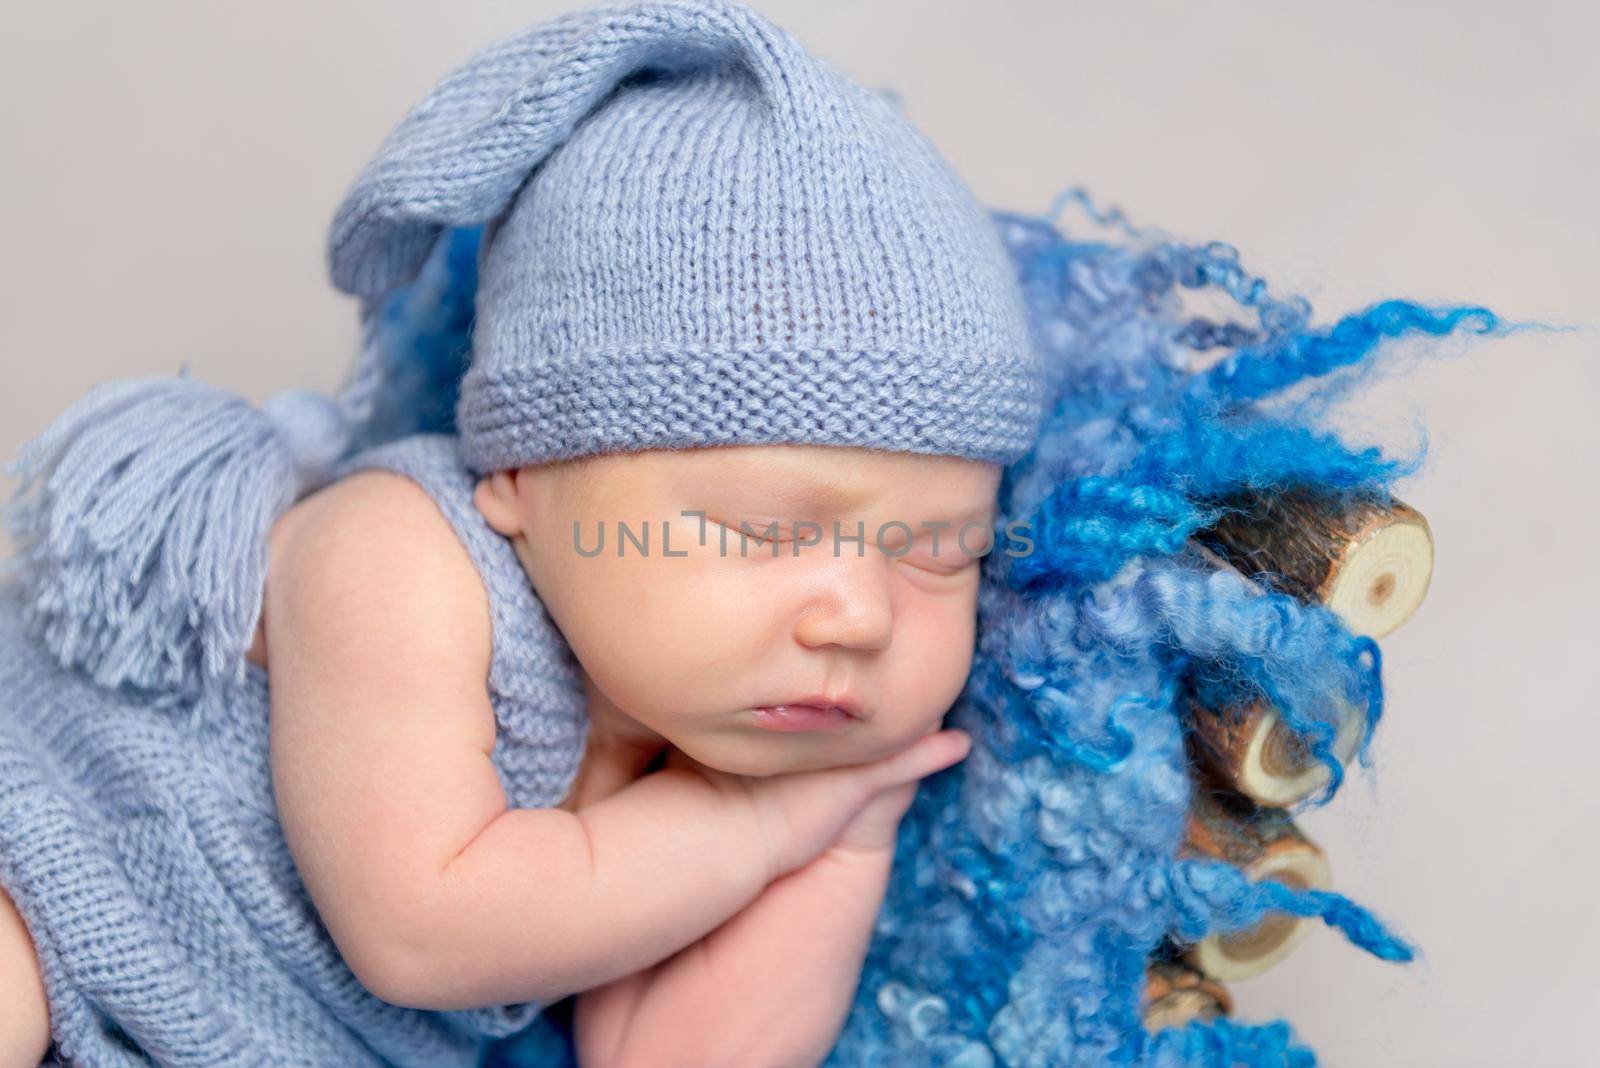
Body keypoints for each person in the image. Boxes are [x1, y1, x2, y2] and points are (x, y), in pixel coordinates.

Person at [0, 1, 1045, 1063]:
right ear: (518, 476)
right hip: (55, 870)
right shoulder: (398, 558)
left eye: (940, 552)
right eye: (767, 530)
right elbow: (417, 931)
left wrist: (839, 839)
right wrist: (748, 831)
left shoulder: (704, 720)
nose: (859, 615)